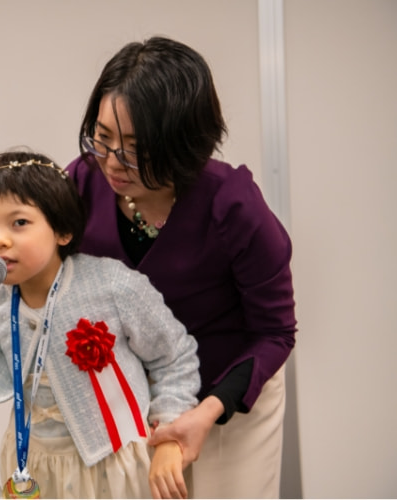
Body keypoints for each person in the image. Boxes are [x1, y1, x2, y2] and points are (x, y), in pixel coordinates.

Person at [65, 36, 297, 498]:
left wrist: (207, 410)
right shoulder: (81, 184)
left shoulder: (233, 204)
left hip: (227, 393)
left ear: (183, 141)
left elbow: (275, 333)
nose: (112, 161)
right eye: (102, 138)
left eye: (134, 147)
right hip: (135, 397)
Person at [0, 149, 201, 499]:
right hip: (33, 474)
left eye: (19, 223)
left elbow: (174, 358)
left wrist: (168, 435)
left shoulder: (112, 285)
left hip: (118, 467)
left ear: (62, 231)